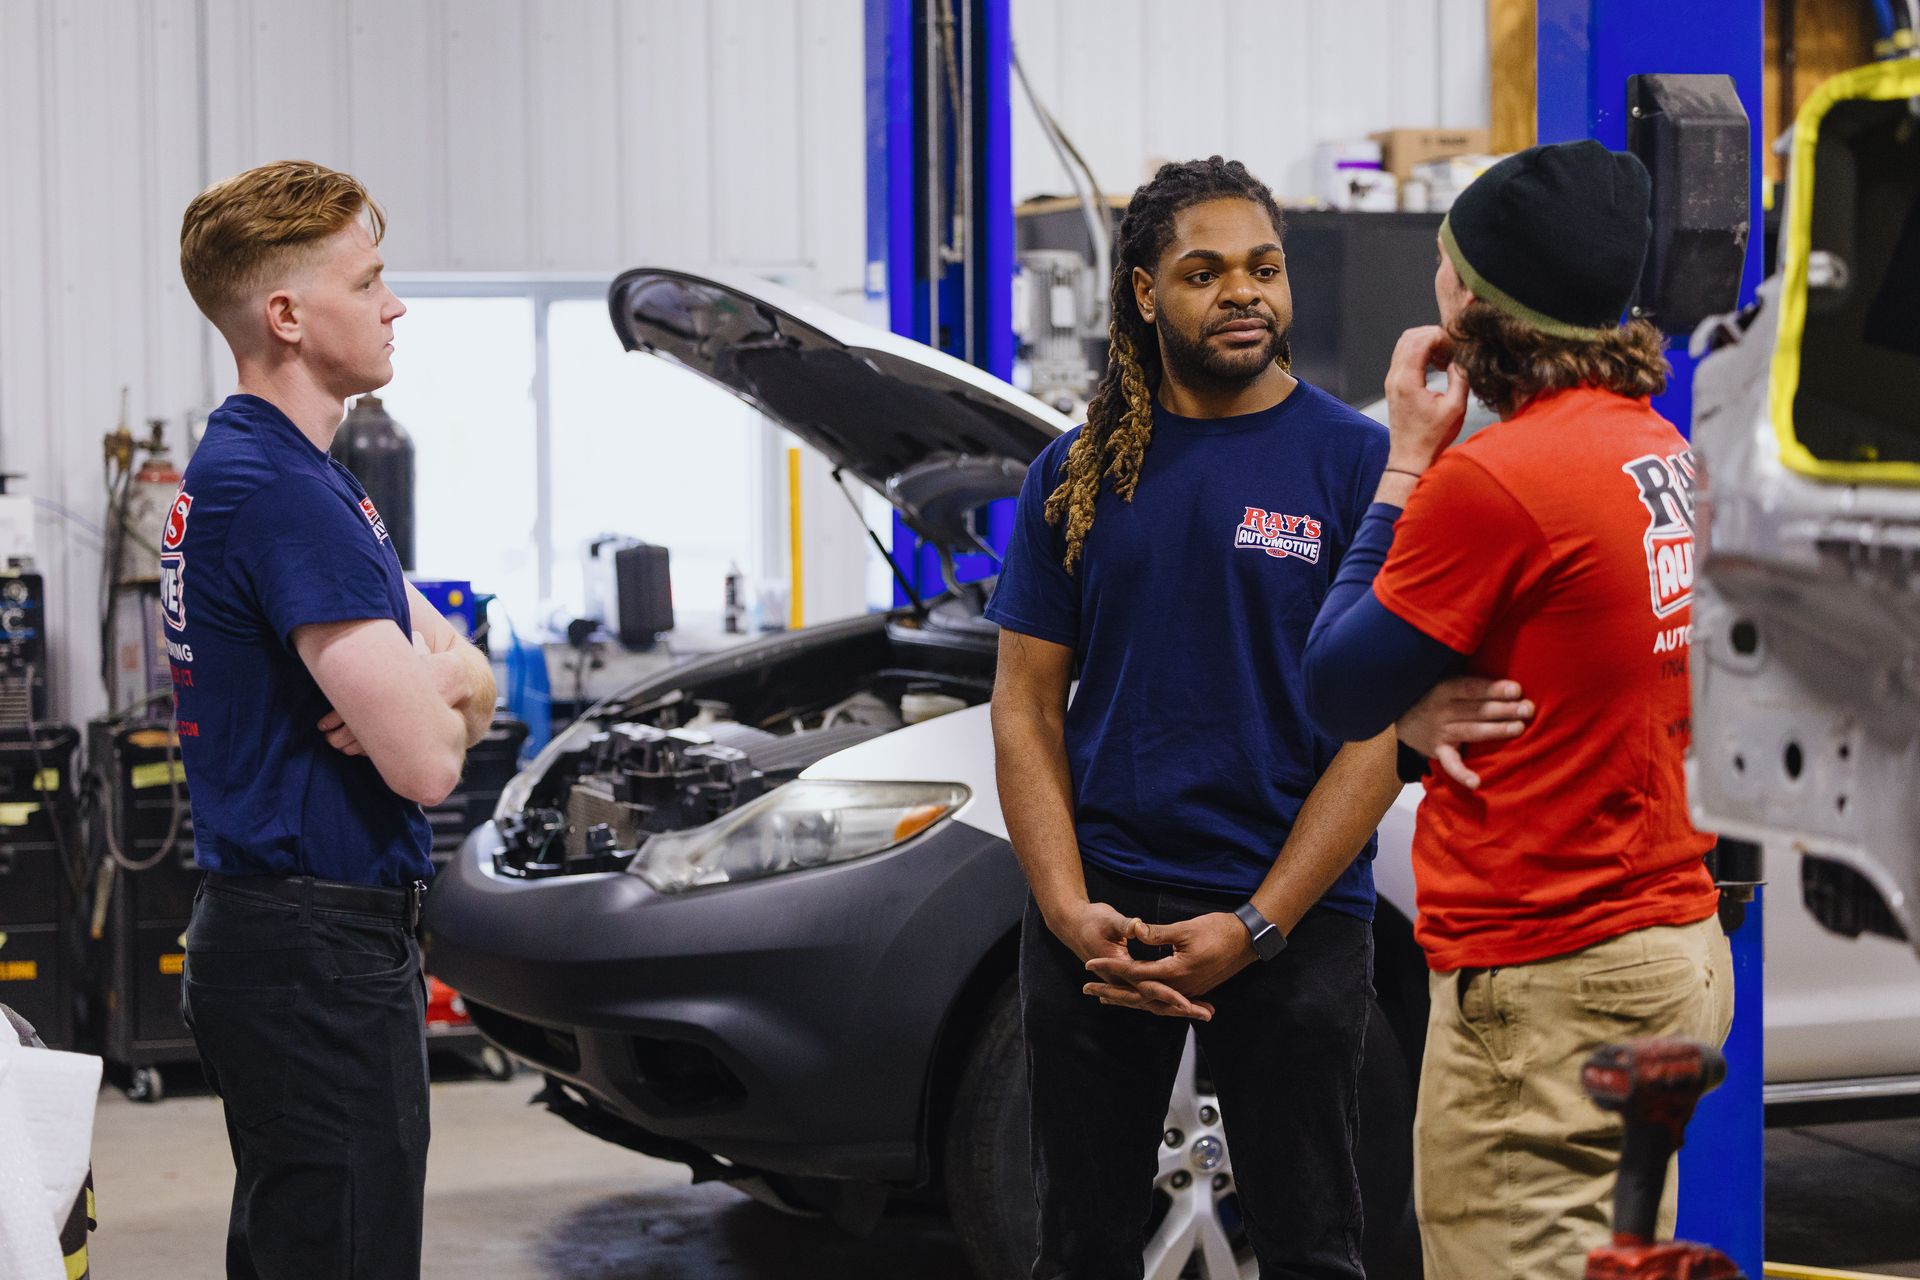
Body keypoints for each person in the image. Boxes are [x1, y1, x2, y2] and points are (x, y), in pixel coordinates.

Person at [1300, 140, 1734, 1279]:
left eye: (1444, 263)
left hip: (1552, 972)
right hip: (1666, 946)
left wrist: (1405, 461)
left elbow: (1334, 681)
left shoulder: (1494, 482)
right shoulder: (1658, 450)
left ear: (1477, 303)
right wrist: (1420, 716)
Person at [987, 156, 1404, 1280]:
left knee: (1316, 1246)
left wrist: (1259, 924)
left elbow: (1380, 736)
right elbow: (1023, 706)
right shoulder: (1074, 474)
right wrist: (1072, 910)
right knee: (1078, 1247)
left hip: (1293, 921)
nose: (1245, 293)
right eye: (1204, 271)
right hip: (1103, 918)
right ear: (1141, 293)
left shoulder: (1360, 464)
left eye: (1264, 268)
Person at [171, 160, 496, 1280]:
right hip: (314, 951)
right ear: (288, 315)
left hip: (284, 939)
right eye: (370, 282)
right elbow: (425, 765)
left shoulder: (285, 473)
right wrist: (438, 698)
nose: (395, 304)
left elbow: (470, 670)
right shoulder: (284, 494)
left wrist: (453, 682)